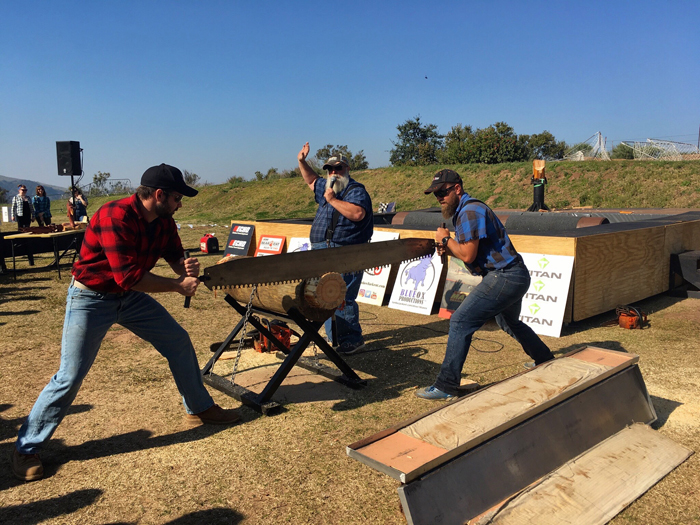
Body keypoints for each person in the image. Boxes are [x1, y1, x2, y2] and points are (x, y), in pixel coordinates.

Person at [12, 164, 240, 482]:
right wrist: (177, 286)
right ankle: (26, 448)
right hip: (90, 298)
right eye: (177, 197)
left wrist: (184, 267)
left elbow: (173, 254)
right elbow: (128, 276)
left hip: (127, 298)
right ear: (159, 195)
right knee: (70, 375)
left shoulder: (164, 221)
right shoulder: (113, 216)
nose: (180, 204)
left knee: (177, 340)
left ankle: (199, 407)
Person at [416, 169, 554, 400]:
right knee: (509, 322)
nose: (440, 197)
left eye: (443, 192)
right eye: (436, 194)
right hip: (512, 274)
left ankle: (446, 386)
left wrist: (446, 240)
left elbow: (468, 256)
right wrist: (448, 246)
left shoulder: (469, 211)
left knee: (460, 320)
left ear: (457, 189)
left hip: (505, 276)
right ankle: (545, 359)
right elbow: (469, 254)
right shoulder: (466, 210)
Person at [297, 142, 373, 354]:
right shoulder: (327, 186)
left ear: (347, 169)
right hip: (324, 251)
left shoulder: (354, 190)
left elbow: (357, 213)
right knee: (325, 295)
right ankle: (336, 339)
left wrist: (331, 200)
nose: (333, 172)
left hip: (346, 252)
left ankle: (351, 340)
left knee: (342, 296)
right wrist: (302, 162)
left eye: (338, 168)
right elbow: (312, 181)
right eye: (330, 169)